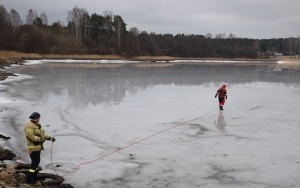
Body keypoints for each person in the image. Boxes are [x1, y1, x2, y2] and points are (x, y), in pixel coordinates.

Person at [24, 112, 56, 184]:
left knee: (36, 163)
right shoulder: (29, 126)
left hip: (37, 147)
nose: (39, 119)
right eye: (39, 118)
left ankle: (34, 177)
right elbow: (32, 137)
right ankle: (29, 179)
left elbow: (42, 135)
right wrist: (41, 140)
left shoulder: (36, 125)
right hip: (33, 148)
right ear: (36, 118)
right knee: (35, 163)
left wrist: (50, 138)